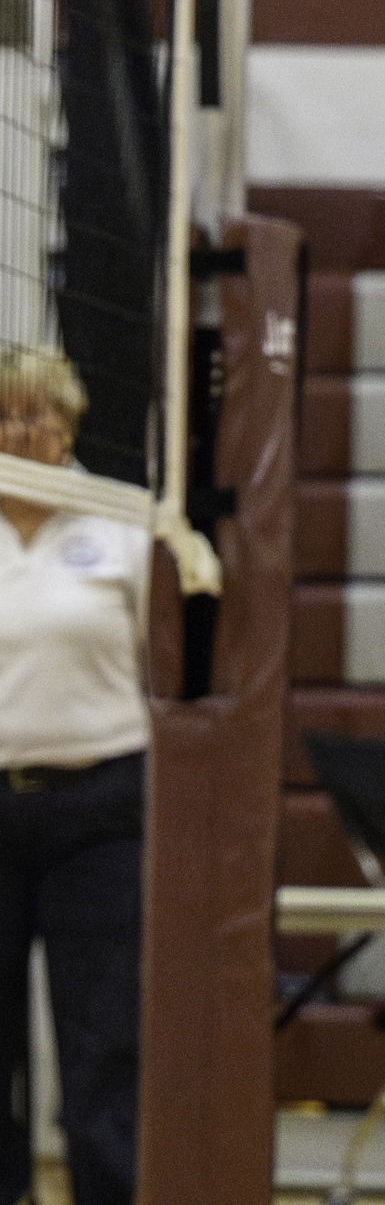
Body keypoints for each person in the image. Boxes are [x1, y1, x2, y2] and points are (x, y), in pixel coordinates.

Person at [0, 347, 149, 1205]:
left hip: (100, 809)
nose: (29, 431)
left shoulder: (123, 524)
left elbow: (164, 667)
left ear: (70, 425)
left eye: (44, 415)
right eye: (11, 415)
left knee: (105, 1041)